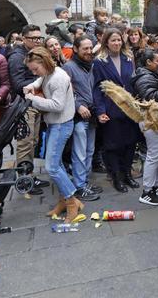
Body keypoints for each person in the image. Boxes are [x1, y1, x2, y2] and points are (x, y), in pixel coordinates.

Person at [23, 47, 86, 222]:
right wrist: (32, 85)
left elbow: (57, 105)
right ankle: (64, 201)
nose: (34, 72)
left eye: (35, 69)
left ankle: (72, 202)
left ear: (44, 62)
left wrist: (32, 99)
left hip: (60, 125)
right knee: (56, 164)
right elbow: (41, 79)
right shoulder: (51, 72)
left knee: (51, 167)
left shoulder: (58, 78)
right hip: (57, 124)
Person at [92, 27, 141, 192]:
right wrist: (100, 111)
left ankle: (127, 174)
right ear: (106, 42)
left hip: (129, 109)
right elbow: (97, 88)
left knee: (130, 144)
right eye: (113, 40)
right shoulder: (100, 61)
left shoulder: (128, 58)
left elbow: (132, 83)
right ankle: (116, 177)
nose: (117, 43)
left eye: (119, 40)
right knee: (113, 146)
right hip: (111, 109)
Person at [7, 25, 50, 193]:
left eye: (40, 38)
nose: (38, 41)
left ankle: (30, 175)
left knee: (33, 141)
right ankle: (24, 180)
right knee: (25, 142)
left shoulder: (36, 54)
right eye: (34, 38)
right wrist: (40, 86)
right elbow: (17, 84)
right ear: (24, 38)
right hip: (25, 105)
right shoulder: (17, 57)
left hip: (36, 103)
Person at [131, 49, 158, 206]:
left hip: (156, 119)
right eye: (157, 61)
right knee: (154, 154)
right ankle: (147, 191)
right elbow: (152, 98)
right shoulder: (143, 77)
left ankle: (156, 186)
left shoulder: (149, 74)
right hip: (151, 120)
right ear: (148, 62)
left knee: (157, 154)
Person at [62, 35, 102, 201]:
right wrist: (78, 105)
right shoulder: (68, 67)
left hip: (92, 115)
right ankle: (79, 186)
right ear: (76, 49)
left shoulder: (92, 65)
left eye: (90, 48)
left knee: (89, 150)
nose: (88, 51)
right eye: (84, 48)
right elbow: (66, 91)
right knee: (79, 152)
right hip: (78, 116)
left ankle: (84, 182)